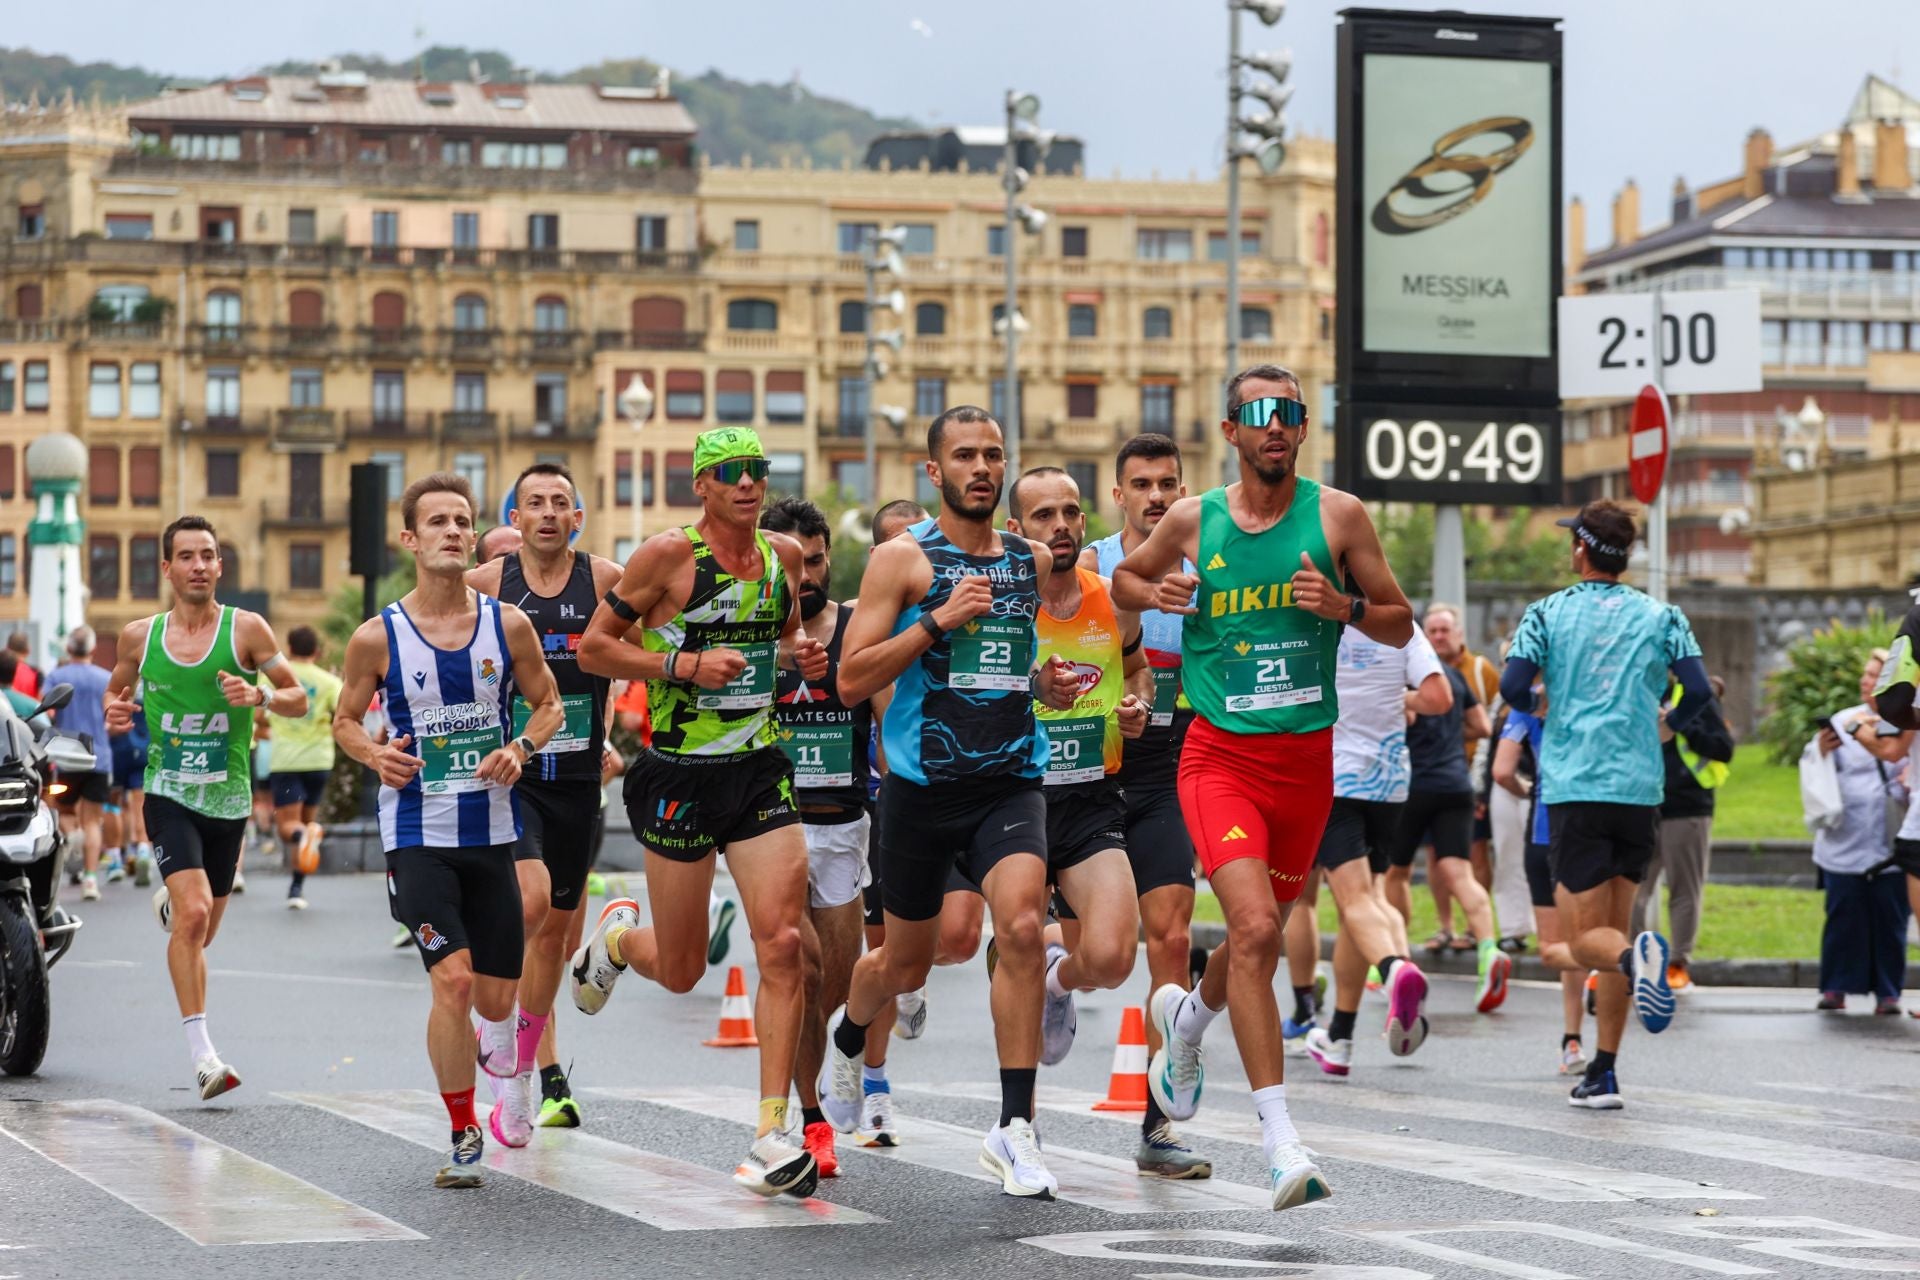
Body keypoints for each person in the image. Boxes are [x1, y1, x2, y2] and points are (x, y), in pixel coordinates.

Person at [1113, 364, 1415, 1209]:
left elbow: (1400, 620)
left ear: (1302, 428)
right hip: (1217, 757)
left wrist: (1344, 609)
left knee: (1254, 942)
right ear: (1234, 431)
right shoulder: (1192, 518)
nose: (1274, 425)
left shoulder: (1338, 516)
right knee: (1252, 929)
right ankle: (1282, 1143)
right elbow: (1123, 583)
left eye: (1288, 412)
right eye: (1258, 413)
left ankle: (1186, 1023)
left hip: (1305, 767)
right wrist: (1159, 590)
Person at [817, 406, 1080, 1200]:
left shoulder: (1031, 562)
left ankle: (1014, 1129)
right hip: (921, 791)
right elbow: (851, 679)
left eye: (993, 454)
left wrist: (1045, 684)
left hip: (1010, 781)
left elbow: (1001, 667)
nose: (981, 468)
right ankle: (850, 1035)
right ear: (934, 471)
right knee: (903, 963)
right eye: (964, 455)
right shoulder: (901, 560)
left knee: (1026, 928)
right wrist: (935, 620)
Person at [570, 426, 828, 1198]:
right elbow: (592, 648)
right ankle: (618, 941)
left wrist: (799, 659)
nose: (748, 483)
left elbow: (782, 638)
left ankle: (770, 1130)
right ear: (702, 488)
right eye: (730, 473)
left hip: (758, 771)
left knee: (782, 943)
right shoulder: (667, 558)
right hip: (680, 771)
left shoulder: (782, 558)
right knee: (682, 971)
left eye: (757, 470)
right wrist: (678, 664)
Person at [334, 473, 563, 1188]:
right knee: (454, 982)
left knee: (497, 997)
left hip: (492, 831)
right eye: (437, 521)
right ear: (410, 538)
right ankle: (464, 1129)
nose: (453, 531)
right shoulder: (377, 637)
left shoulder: (509, 626)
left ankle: (500, 1048)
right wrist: (375, 754)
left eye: (462, 521)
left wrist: (520, 749)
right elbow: (342, 720)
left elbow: (549, 704)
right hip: (416, 832)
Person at [1499, 499, 1713, 1109]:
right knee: (1616, 922)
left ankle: (1634, 958)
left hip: (1575, 785)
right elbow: (1698, 688)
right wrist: (1667, 721)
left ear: (1580, 549)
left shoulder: (1547, 613)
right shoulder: (1663, 615)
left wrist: (1541, 700)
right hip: (1641, 789)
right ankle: (1605, 1071)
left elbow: (1513, 686)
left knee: (1586, 937)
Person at [105, 517, 308, 1100]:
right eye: (186, 556)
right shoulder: (140, 637)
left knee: (203, 930)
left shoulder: (247, 630)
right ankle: (204, 1057)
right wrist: (116, 711)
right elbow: (115, 693)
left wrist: (259, 695)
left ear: (221, 566)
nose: (199, 565)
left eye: (209, 556)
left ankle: (176, 904)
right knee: (193, 916)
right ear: (167, 568)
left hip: (229, 799)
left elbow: (297, 698)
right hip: (168, 792)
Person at [468, 464, 624, 1141]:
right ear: (517, 518)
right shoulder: (486, 585)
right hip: (515, 772)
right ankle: (494, 1022)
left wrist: (613, 733)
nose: (549, 513)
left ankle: (520, 1079)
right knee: (529, 902)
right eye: (535, 503)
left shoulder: (607, 580)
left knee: (557, 936)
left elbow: (634, 652)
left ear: (577, 517)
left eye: (562, 502)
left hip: (578, 776)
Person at [1079, 432, 1212, 1177]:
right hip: (1091, 765)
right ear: (1119, 494)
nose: (1157, 496)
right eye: (1142, 484)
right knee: (1088, 953)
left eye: (1169, 483)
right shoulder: (1095, 563)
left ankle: (1159, 1126)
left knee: (1170, 933)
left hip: (1167, 761)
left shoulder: (1205, 569)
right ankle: (1058, 983)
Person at [1007, 468, 1150, 1072]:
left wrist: (1137, 706)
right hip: (1019, 798)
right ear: (1015, 531)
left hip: (1093, 792)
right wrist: (1032, 695)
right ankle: (1021, 1126)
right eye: (1043, 516)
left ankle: (1058, 977)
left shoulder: (1112, 598)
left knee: (1115, 959)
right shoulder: (1001, 608)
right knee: (997, 955)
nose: (1060, 526)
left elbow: (1137, 667)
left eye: (1069, 512)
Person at [760, 495, 885, 1178]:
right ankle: (806, 1121)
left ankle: (834, 1078)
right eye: (788, 564)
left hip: (844, 828)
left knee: (835, 990)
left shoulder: (857, 630)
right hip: (770, 824)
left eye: (812, 561)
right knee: (795, 967)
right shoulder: (747, 634)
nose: (802, 578)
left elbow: (890, 722)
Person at [1300, 624, 1451, 1078]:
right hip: (1389, 783)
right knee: (1368, 901)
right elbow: (1439, 697)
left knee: (1355, 901)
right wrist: (1398, 700)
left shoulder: (1319, 625)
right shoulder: (1401, 627)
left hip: (1336, 776)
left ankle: (1393, 969)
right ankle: (1340, 1038)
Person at [851, 497, 930, 1148]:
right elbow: (883, 727)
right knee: (877, 949)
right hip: (887, 799)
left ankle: (904, 993)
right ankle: (871, 1081)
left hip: (955, 791)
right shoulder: (869, 626)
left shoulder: (959, 606)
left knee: (912, 952)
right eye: (897, 545)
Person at [1384, 622, 1508, 1014]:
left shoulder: (1398, 678)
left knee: (1396, 873)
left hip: (1412, 786)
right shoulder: (1453, 678)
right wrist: (1453, 737)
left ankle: (1397, 959)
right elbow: (1483, 726)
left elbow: (1400, 723)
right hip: (1456, 783)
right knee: (1459, 872)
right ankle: (1489, 949)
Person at [1492, 681, 1590, 1072]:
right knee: (1588, 936)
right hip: (1595, 821)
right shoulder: (1588, 691)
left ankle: (1617, 965)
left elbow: (1501, 771)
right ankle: (1574, 1039)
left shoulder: (1527, 704)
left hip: (1546, 829)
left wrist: (1526, 790)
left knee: (1554, 948)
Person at [1811, 651, 1909, 1014]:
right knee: (1843, 915)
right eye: (1865, 675)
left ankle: (1888, 992)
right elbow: (1817, 772)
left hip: (1890, 836)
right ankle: (1835, 987)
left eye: (1874, 676)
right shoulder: (1842, 721)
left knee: (1890, 918)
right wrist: (1821, 750)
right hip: (1845, 837)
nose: (1866, 682)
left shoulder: (1906, 722)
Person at [1630, 674, 1735, 992]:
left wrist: (1678, 721)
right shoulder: (1635, 690)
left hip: (1687, 807)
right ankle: (1634, 963)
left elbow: (1722, 748)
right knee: (1633, 890)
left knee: (1684, 890)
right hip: (1640, 804)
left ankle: (1678, 964)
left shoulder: (1695, 695)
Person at [1421, 604, 1500, 943]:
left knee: (1474, 852)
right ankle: (1446, 927)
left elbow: (1495, 723)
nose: (1439, 636)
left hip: (1471, 777)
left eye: (1444, 630)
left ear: (1459, 634)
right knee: (1437, 857)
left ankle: (1474, 930)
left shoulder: (1480, 670)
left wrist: (1452, 732)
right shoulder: (1418, 669)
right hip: (1439, 779)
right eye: (1433, 631)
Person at [262, 626, 342, 911]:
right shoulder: (330, 681)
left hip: (287, 759)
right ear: (317, 652)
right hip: (320, 759)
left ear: (289, 648)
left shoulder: (272, 677)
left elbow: (257, 712)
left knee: (288, 828)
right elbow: (343, 716)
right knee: (308, 825)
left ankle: (302, 841)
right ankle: (296, 889)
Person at [47, 627, 114, 900]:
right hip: (99, 755)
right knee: (93, 821)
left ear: (69, 649)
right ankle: (90, 879)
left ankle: (72, 839)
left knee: (63, 812)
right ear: (92, 649)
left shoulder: (56, 676)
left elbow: (49, 712)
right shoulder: (105, 678)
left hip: (67, 755)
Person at [108, 677, 154, 888]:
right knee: (140, 802)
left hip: (118, 748)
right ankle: (143, 848)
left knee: (115, 804)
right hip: (144, 748)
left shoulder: (119, 684)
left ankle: (116, 857)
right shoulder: (154, 684)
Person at [8, 631, 41, 701]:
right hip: (29, 711)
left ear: (7, 649)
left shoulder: (3, 670)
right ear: (28, 650)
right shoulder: (36, 673)